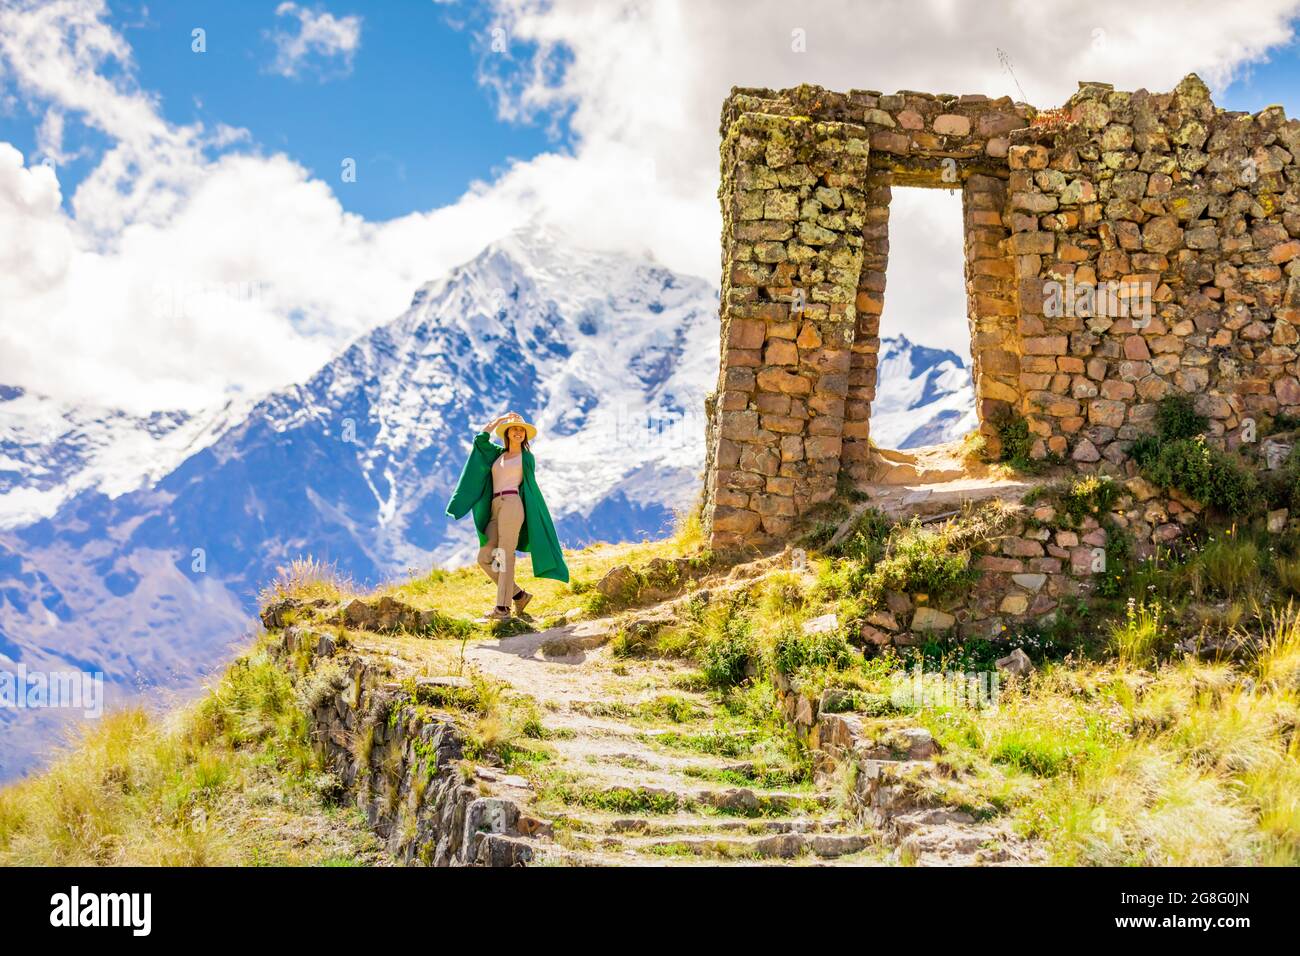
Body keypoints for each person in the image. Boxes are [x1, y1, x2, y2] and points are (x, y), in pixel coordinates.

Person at [446, 411, 569, 622]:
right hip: (495, 506)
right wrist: (498, 421)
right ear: (508, 433)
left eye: (522, 430)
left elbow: (529, 487)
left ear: (525, 436)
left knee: (504, 555)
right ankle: (519, 596)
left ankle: (502, 609)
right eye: (514, 429)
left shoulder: (526, 458)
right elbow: (479, 441)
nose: (518, 432)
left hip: (513, 505)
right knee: (485, 557)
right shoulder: (497, 455)